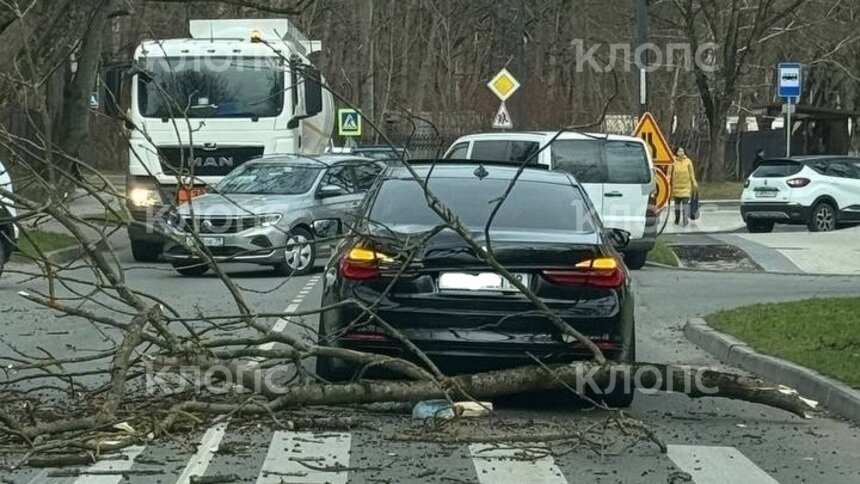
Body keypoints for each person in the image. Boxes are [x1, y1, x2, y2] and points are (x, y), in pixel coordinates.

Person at [672, 147, 698, 226]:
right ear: (676, 152)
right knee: (677, 206)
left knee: (685, 205)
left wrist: (694, 183)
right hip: (676, 187)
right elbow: (669, 173)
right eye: (679, 151)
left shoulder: (688, 161)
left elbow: (691, 173)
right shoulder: (673, 161)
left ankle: (685, 220)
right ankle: (677, 219)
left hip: (686, 187)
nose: (681, 152)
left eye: (682, 151)